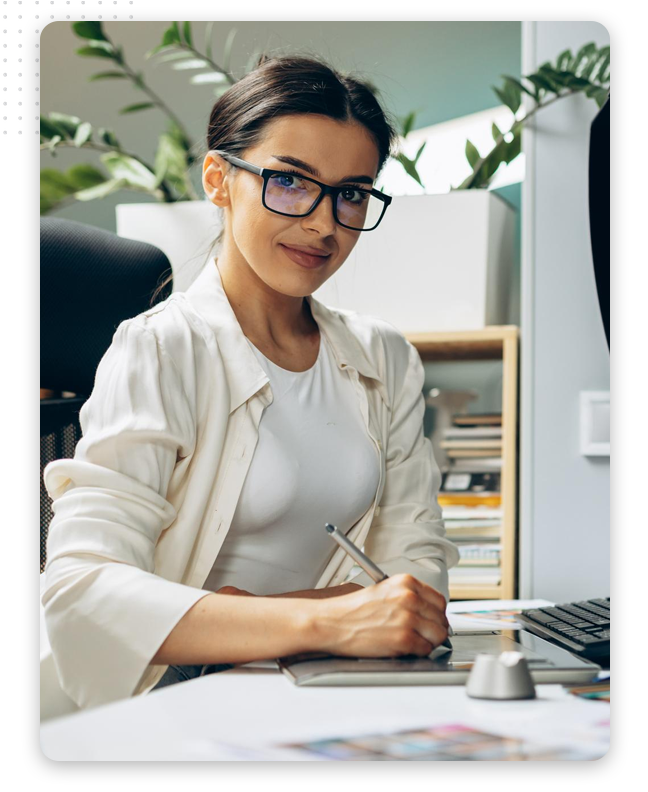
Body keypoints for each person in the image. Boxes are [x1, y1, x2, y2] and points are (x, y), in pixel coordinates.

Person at [42, 52, 459, 709]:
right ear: (219, 179)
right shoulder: (160, 349)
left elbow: (413, 567)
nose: (324, 223)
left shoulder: (385, 357)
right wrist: (327, 619)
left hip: (311, 690)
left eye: (351, 193)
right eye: (291, 181)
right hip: (155, 707)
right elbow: (81, 591)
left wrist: (264, 617)